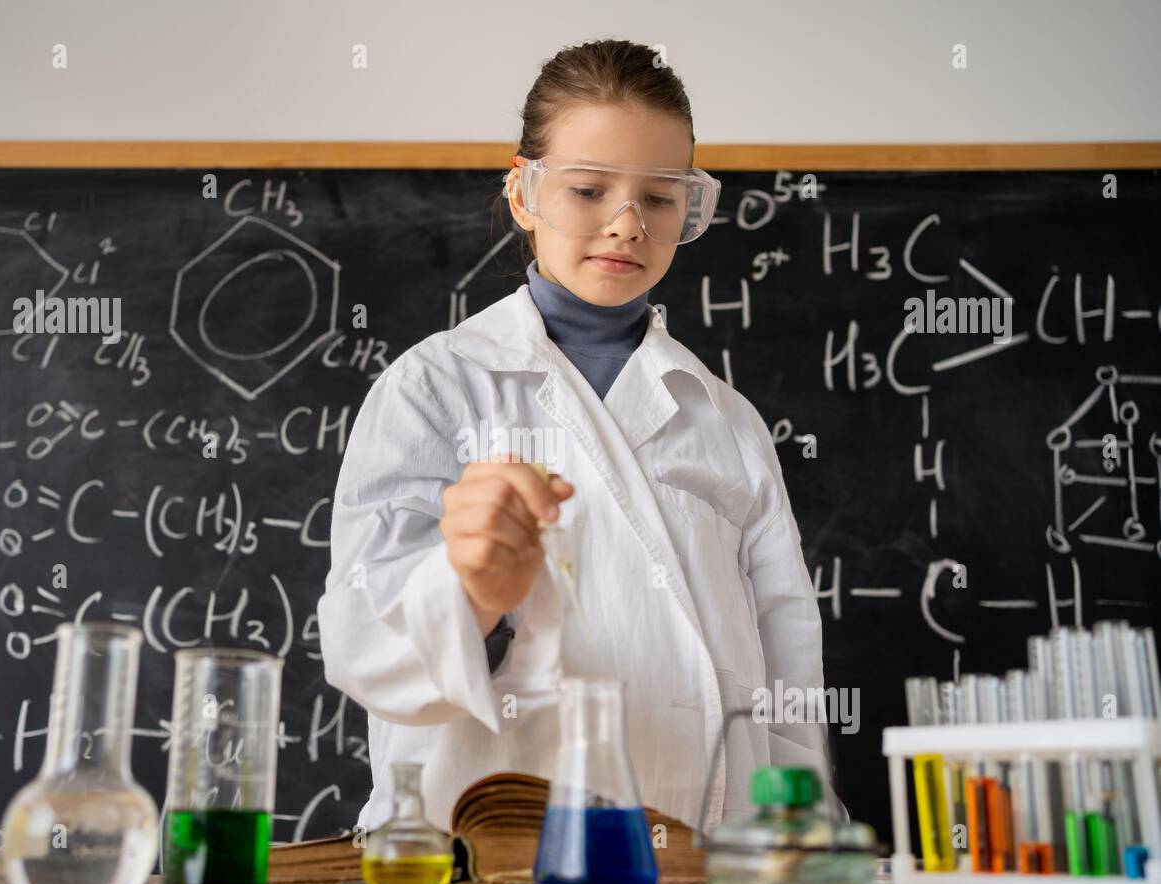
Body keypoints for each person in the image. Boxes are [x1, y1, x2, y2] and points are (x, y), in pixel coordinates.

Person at [318, 39, 845, 837]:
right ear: (523, 194)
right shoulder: (435, 388)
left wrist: (805, 844)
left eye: (661, 198)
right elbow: (364, 649)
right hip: (484, 859)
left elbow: (786, 672)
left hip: (705, 859)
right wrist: (468, 591)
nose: (627, 225)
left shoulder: (726, 421)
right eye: (589, 189)